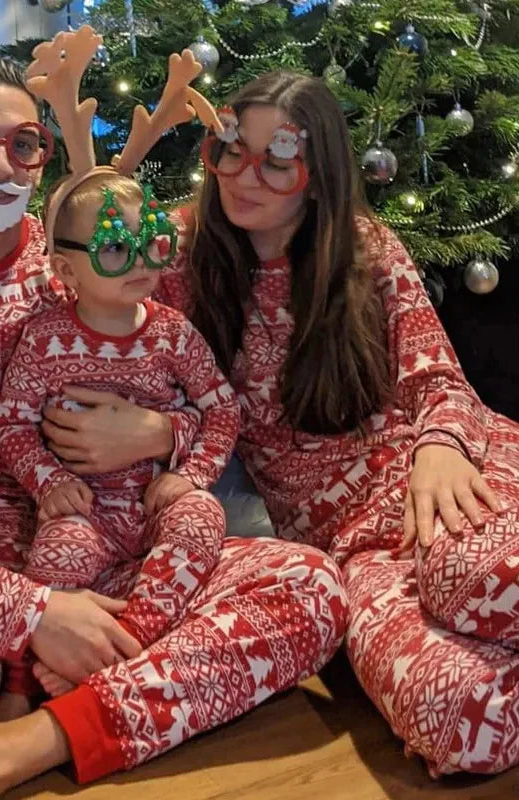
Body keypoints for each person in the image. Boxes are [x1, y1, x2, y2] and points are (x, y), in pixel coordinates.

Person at [0, 41, 348, 800]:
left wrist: (164, 438)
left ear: (41, 160)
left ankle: (33, 741)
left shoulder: (100, 253)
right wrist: (27, 614)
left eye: (23, 144)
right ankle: (64, 696)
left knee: (312, 587)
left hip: (108, 552)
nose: (0, 165)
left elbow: (207, 397)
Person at [156, 69, 519, 778]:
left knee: (472, 579)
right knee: (460, 722)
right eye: (230, 148)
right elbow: (81, 270)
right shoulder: (182, 258)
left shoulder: (367, 249)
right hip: (354, 552)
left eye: (278, 159)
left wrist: (440, 449)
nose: (243, 174)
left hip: (449, 479)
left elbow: (440, 380)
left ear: (318, 177)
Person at [0, 169, 240, 707]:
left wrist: (190, 474)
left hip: (156, 503)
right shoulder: (44, 339)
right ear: (65, 269)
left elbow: (223, 410)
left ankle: (132, 643)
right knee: (58, 552)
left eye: (151, 242)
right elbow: (11, 425)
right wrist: (49, 481)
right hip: (87, 511)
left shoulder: (173, 332)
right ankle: (21, 682)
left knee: (204, 517)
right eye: (113, 248)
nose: (142, 262)